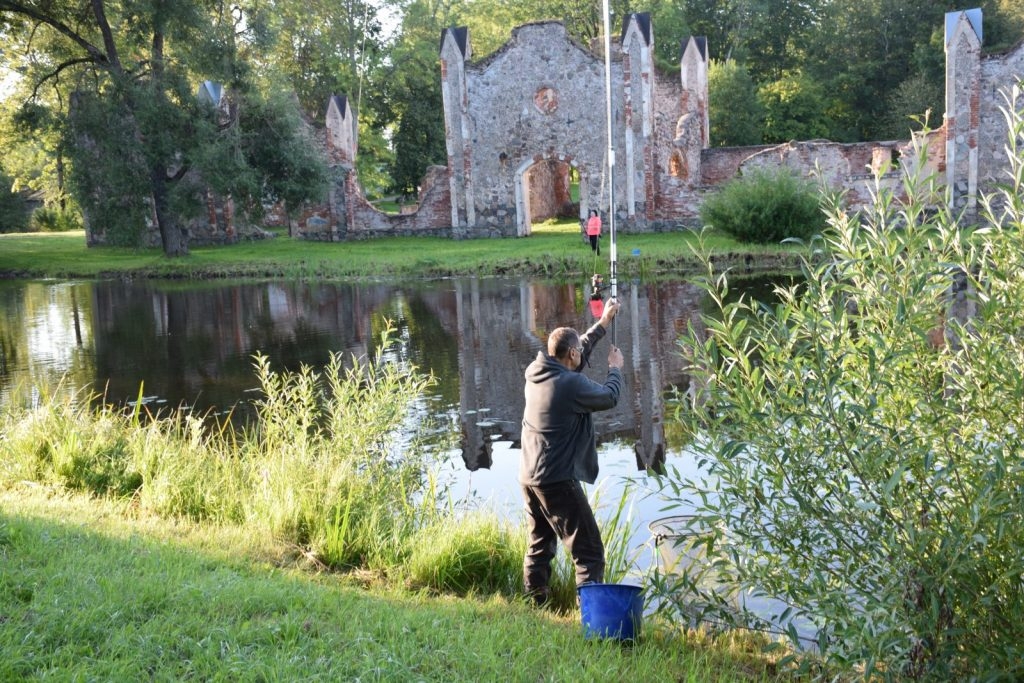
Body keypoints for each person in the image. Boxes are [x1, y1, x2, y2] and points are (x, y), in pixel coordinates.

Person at [519, 298, 624, 605]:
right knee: (589, 552)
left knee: (540, 545)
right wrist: (615, 369)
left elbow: (576, 355)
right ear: (572, 355)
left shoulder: (537, 371)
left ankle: (534, 605)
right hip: (557, 478)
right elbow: (609, 397)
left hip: (529, 476)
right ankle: (592, 619)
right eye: (578, 350)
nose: (580, 353)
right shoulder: (569, 385)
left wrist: (603, 324)